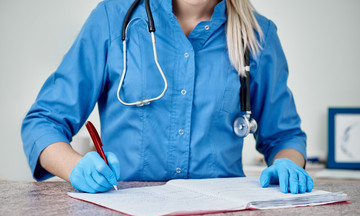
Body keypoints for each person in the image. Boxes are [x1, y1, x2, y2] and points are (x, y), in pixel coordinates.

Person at [21, 0, 313, 194]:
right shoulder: (112, 18)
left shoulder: (258, 36)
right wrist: (75, 168)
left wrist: (286, 164)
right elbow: (43, 122)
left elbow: (284, 137)